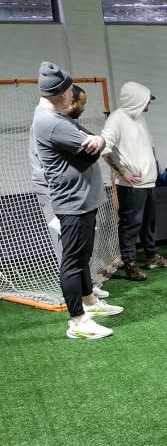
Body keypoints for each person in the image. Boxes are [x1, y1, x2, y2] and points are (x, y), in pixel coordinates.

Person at [32, 61, 123, 340]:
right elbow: (91, 151)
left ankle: (90, 303)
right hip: (72, 203)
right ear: (59, 93)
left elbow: (93, 140)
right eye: (70, 91)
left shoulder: (59, 118)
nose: (74, 95)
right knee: (72, 261)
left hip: (82, 200)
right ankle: (78, 322)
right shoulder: (50, 122)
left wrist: (97, 140)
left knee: (82, 257)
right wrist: (97, 142)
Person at [30, 84, 109, 299]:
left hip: (80, 196)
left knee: (82, 248)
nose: (82, 109)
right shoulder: (49, 124)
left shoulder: (65, 123)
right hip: (63, 197)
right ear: (68, 100)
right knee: (69, 251)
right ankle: (77, 307)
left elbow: (97, 144)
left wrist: (99, 141)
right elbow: (87, 154)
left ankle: (87, 293)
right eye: (80, 103)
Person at [101, 81, 167, 281]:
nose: (148, 105)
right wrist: (123, 172)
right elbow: (104, 149)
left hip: (149, 183)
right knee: (130, 225)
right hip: (132, 186)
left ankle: (152, 256)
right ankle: (130, 264)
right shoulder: (116, 119)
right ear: (135, 100)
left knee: (149, 223)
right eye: (146, 101)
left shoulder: (139, 118)